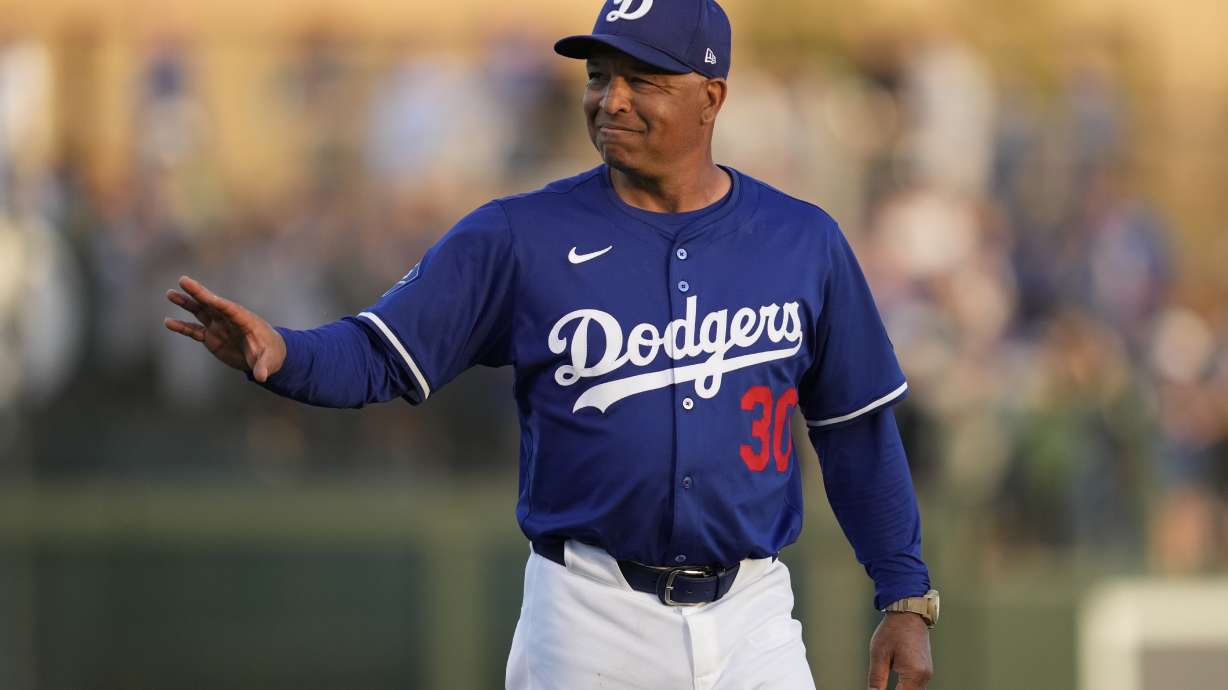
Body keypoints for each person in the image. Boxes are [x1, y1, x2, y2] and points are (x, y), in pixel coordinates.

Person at [164, 1, 937, 688]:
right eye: (600, 76)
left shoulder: (802, 241)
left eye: (645, 79)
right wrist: (285, 354)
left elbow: (856, 430)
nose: (612, 100)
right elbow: (380, 351)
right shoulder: (519, 236)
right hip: (590, 612)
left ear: (713, 97)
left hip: (755, 611)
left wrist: (905, 597)